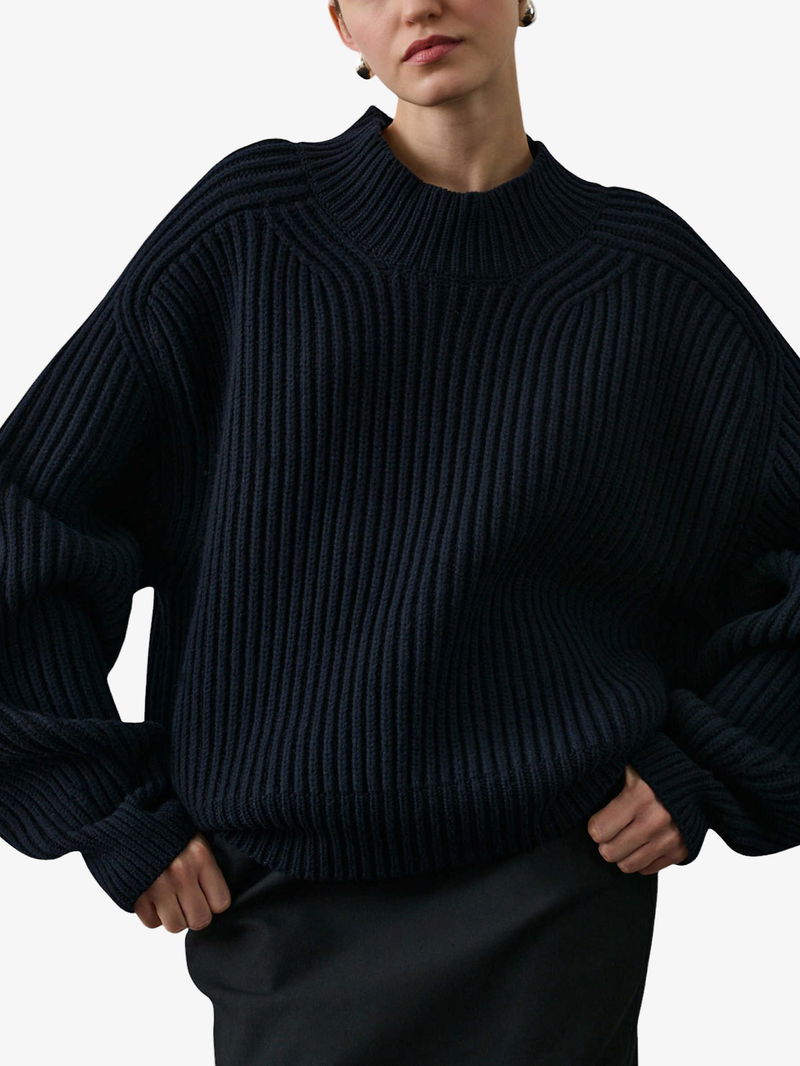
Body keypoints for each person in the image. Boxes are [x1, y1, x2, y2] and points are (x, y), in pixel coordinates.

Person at [1, 1, 799, 1063]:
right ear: (342, 25)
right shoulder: (251, 233)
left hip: (553, 905)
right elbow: (28, 515)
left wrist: (715, 759)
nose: (418, 2)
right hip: (285, 914)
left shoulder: (643, 280)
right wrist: (101, 806)